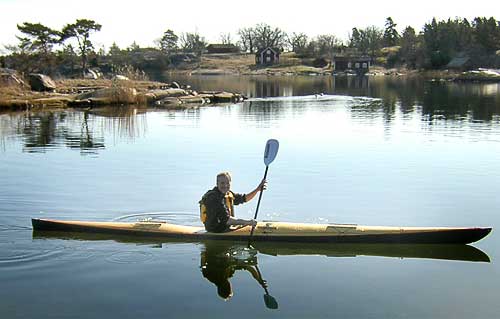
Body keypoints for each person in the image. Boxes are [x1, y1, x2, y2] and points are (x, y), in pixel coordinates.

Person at [200, 172, 266, 233]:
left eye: (227, 183)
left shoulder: (228, 194)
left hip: (226, 226)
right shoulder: (213, 198)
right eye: (222, 183)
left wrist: (257, 189)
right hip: (215, 230)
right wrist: (247, 222)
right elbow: (227, 220)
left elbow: (244, 199)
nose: (225, 185)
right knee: (244, 223)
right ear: (217, 184)